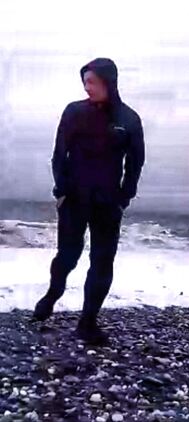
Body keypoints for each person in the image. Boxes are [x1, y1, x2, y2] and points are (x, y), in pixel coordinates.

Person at [31, 57, 145, 345]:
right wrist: (61, 191)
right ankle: (53, 294)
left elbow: (135, 163)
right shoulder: (74, 111)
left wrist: (124, 197)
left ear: (109, 82)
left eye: (92, 82)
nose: (87, 87)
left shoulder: (128, 120)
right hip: (74, 197)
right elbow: (59, 154)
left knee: (102, 261)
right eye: (84, 82)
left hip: (108, 201)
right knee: (68, 255)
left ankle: (88, 322)